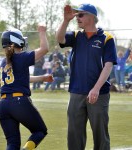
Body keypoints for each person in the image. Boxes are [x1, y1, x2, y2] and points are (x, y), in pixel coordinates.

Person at [56, 3, 117, 150]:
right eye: (76, 15)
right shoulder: (76, 36)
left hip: (99, 94)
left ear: (92, 17)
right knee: (74, 135)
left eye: (80, 14)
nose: (77, 17)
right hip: (76, 92)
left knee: (100, 135)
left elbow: (108, 65)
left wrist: (96, 89)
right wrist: (65, 20)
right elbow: (60, 38)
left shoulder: (107, 38)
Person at [0, 26, 50, 150]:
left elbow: (20, 79)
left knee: (12, 143)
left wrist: (42, 78)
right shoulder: (21, 57)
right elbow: (44, 49)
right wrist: (42, 32)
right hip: (19, 102)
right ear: (16, 40)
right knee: (40, 131)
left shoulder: (4, 61)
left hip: (3, 105)